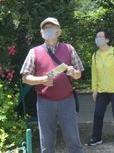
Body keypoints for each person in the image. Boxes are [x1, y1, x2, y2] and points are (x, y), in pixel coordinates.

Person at [20, 17, 84, 153]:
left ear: (58, 32)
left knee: (74, 140)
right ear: (41, 33)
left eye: (52, 29)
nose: (49, 31)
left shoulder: (69, 49)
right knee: (47, 143)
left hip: (67, 100)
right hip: (45, 102)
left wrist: (74, 73)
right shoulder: (34, 52)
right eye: (46, 29)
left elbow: (79, 74)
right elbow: (25, 77)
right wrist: (42, 80)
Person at [87, 29, 114, 148]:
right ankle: (96, 137)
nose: (97, 38)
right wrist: (94, 90)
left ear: (107, 40)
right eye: (96, 36)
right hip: (101, 91)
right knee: (98, 113)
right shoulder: (95, 55)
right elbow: (94, 74)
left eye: (100, 36)